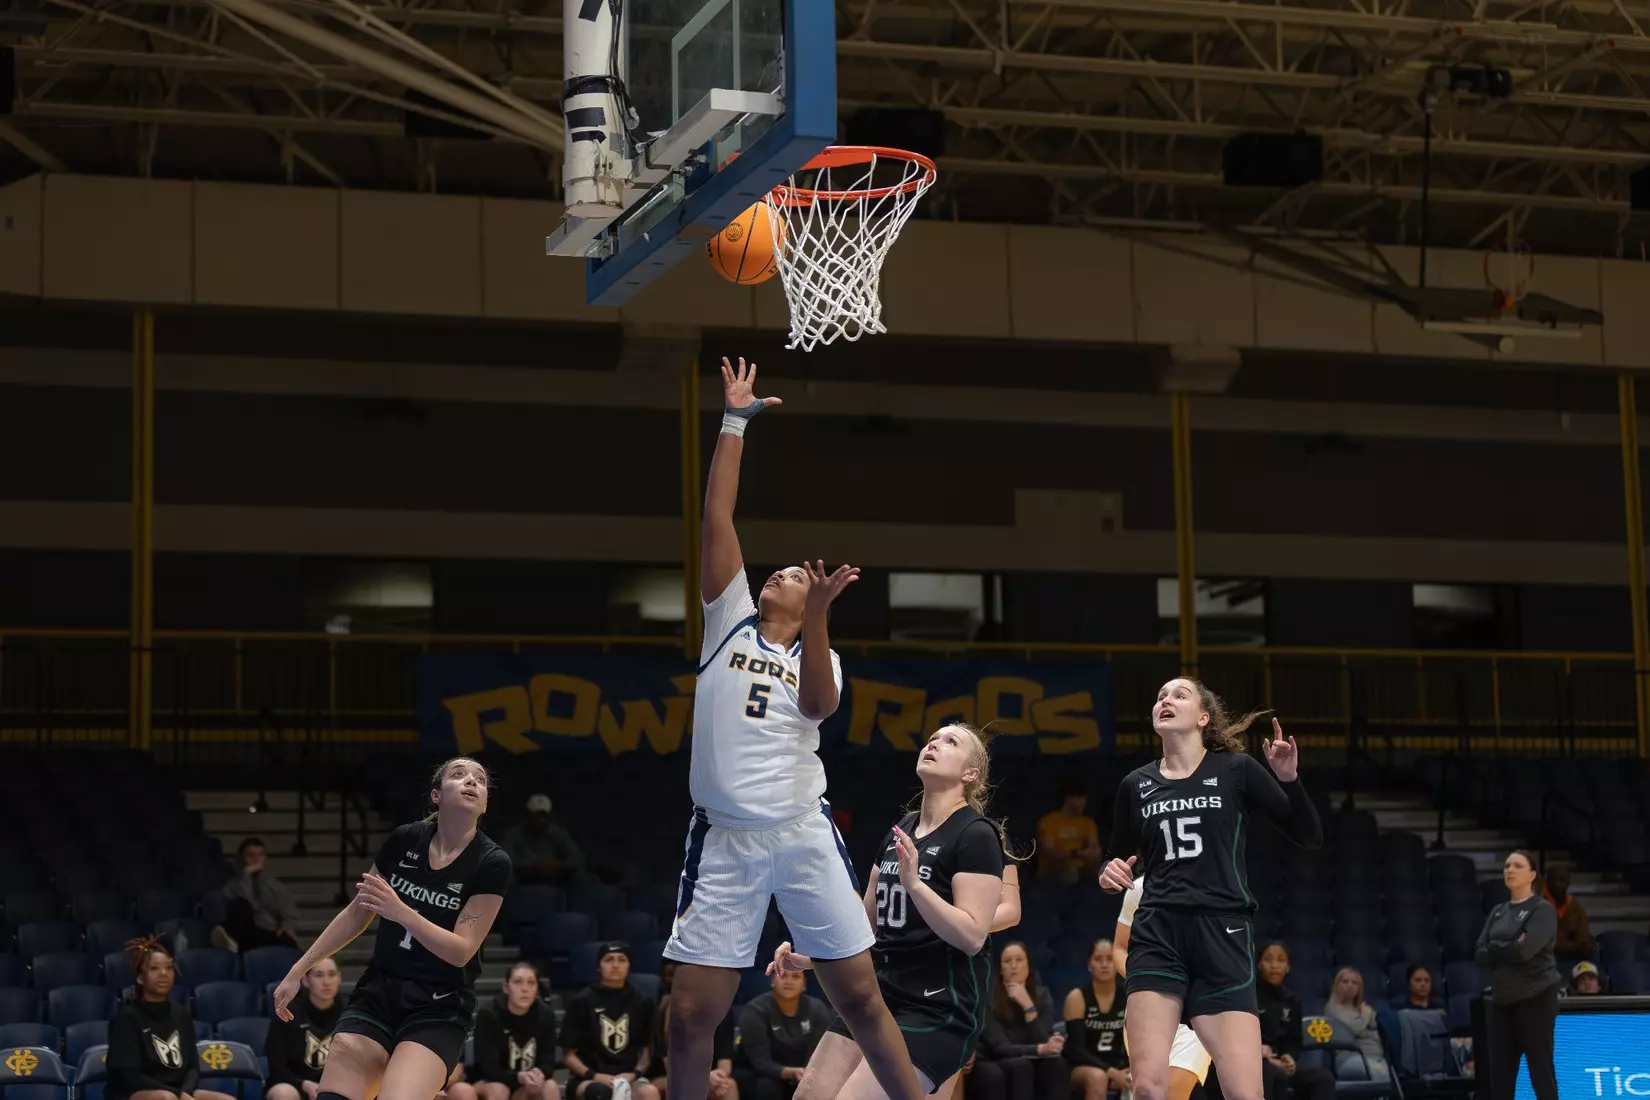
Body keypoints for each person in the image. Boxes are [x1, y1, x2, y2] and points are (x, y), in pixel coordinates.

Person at [664, 356, 924, 1100]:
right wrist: (735, 421)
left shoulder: (825, 655)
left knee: (859, 999)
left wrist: (817, 620)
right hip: (725, 838)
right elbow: (718, 516)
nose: (781, 572)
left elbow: (817, 709)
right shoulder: (729, 622)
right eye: (778, 571)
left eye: (796, 575)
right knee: (689, 1016)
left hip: (800, 832)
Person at [1098, 680, 1324, 1100]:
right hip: (1157, 933)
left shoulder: (1236, 769)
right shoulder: (1135, 784)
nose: (1165, 699)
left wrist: (1290, 779)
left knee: (1244, 1093)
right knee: (1148, 1088)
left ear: (1204, 717)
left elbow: (1309, 837)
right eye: (1160, 695)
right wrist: (1107, 874)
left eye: (1179, 695)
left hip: (1222, 933)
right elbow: (1118, 860)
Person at [767, 722, 1013, 1100]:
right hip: (882, 994)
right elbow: (865, 926)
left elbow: (972, 935)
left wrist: (915, 885)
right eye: (932, 738)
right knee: (809, 1095)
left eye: (951, 742)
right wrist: (810, 957)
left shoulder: (976, 835)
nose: (934, 743)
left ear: (970, 774)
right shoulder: (901, 829)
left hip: (939, 1008)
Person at [271, 757, 513, 1100]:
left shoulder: (492, 862)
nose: (471, 782)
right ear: (436, 795)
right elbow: (358, 912)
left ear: (485, 802)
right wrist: (299, 969)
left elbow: (461, 950)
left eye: (480, 780)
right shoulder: (405, 839)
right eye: (458, 776)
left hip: (438, 1005)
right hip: (379, 993)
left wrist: (401, 911)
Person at [1113, 878, 1209, 1100]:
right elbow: (1119, 948)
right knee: (1150, 1093)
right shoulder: (1140, 887)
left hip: (1196, 1005)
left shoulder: (1213, 884)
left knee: (1175, 1091)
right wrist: (1142, 980)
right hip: (1147, 1003)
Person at [107, 937, 237, 1100]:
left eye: (169, 968)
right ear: (140, 977)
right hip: (133, 1093)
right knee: (165, 1098)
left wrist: (185, 1092)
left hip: (177, 1092)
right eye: (154, 968)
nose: (163, 974)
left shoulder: (181, 1013)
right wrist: (176, 1094)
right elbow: (127, 1075)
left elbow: (192, 1068)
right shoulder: (126, 1018)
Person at [1476, 850, 1560, 1100]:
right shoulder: (1498, 911)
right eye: (1507, 866)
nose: (1510, 870)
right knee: (1500, 1075)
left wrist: (1497, 947)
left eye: (1517, 866)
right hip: (1502, 1000)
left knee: (1540, 1071)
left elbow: (1525, 952)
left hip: (1535, 997)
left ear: (1532, 874)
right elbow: (1479, 953)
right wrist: (1509, 945)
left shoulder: (1542, 909)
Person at [560, 942, 661, 1100]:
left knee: (649, 1093)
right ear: (598, 967)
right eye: (609, 960)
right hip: (588, 1078)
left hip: (629, 1078)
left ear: (629, 966)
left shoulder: (643, 1002)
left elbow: (645, 1053)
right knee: (600, 1092)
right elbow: (568, 1056)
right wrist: (595, 1076)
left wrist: (633, 1075)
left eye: (621, 960)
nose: (615, 965)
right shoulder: (582, 1000)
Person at [972, 942, 1067, 1100]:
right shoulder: (989, 1000)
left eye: (1020, 960)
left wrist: (1028, 1006)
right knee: (1020, 1066)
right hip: (995, 1060)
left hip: (1030, 1059)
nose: (1014, 966)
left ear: (1028, 966)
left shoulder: (1042, 996)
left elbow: (1043, 1041)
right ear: (1001, 969)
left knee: (1056, 1064)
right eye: (1008, 961)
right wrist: (1041, 1049)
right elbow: (1000, 1048)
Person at [1254, 943, 1333, 1100]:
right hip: (1257, 1065)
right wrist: (1266, 1057)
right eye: (1268, 960)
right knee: (1274, 1075)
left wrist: (1290, 1056)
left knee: (1323, 1079)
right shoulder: (1249, 997)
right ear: (1259, 965)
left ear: (1288, 967)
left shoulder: (1292, 1000)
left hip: (1281, 1065)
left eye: (1281, 960)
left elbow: (1295, 1040)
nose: (1274, 966)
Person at [737, 970, 833, 1100]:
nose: (788, 982)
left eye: (795, 977)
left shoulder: (817, 1010)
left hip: (804, 1074)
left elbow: (818, 1053)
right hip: (761, 1074)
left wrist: (806, 1074)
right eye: (782, 976)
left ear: (804, 983)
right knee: (767, 1088)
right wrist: (787, 1072)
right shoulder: (755, 1010)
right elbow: (760, 1061)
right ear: (772, 980)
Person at [474, 962, 562, 1100]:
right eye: (518, 982)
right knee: (499, 1090)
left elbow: (549, 1061)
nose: (525, 989)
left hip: (524, 1082)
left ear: (537, 989)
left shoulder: (546, 1015)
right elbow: (489, 1067)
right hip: (489, 1080)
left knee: (549, 1086)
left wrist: (540, 1073)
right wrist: (518, 1077)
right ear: (506, 988)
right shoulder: (489, 1014)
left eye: (531, 983)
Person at [652, 964, 736, 1100]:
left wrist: (717, 1077)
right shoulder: (668, 1008)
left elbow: (725, 1063)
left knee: (729, 1085)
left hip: (709, 1077)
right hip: (666, 1077)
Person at [266, 958, 344, 1100]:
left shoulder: (349, 1013)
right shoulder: (287, 1012)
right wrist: (303, 1084)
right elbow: (276, 1067)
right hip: (294, 1084)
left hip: (335, 1086)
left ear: (339, 978)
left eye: (332, 974)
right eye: (319, 975)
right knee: (284, 1093)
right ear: (306, 981)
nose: (326, 982)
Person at [1064, 938, 1131, 1100]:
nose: (1104, 964)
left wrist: (1129, 1069)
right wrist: (1109, 1071)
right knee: (1098, 1077)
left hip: (1119, 1066)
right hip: (1082, 1067)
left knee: (1142, 1078)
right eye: (1098, 959)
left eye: (1109, 959)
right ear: (1089, 964)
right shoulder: (1077, 997)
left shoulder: (1129, 997)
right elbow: (1076, 1049)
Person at [216, 837, 300, 953]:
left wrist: (286, 926)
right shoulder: (232, 885)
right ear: (241, 858)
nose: (256, 859)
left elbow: (288, 912)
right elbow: (244, 902)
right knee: (240, 905)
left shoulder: (274, 885)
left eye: (260, 855)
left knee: (289, 944)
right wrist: (246, 876)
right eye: (250, 855)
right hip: (245, 932)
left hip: (268, 930)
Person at [502, 795, 586, 888]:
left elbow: (577, 858)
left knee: (578, 876)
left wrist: (558, 865)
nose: (540, 820)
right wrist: (533, 865)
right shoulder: (513, 833)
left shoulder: (559, 833)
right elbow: (506, 858)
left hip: (553, 876)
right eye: (535, 816)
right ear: (528, 815)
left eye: (543, 816)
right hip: (523, 876)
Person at [1322, 969, 1387, 1080]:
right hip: (1350, 1059)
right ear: (1337, 985)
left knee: (1395, 1080)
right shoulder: (1333, 1008)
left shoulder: (1362, 1009)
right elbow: (1355, 1029)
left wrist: (1364, 1029)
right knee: (1381, 1075)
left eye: (1354, 983)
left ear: (1359, 988)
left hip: (1377, 1056)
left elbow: (1375, 1034)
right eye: (1345, 981)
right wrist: (1366, 1016)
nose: (1350, 985)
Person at [1035, 777, 1102, 885]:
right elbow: (1049, 852)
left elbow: (1093, 848)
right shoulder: (1049, 821)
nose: (1083, 803)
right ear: (1068, 798)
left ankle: (1098, 886)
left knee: (1098, 855)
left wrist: (1090, 853)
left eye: (1085, 799)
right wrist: (1075, 853)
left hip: (1082, 870)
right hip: (1054, 870)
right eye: (1080, 798)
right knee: (1070, 872)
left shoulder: (1087, 822)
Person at [1542, 864, 1595, 959]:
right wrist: (1574, 946)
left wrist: (1583, 945)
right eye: (1559, 880)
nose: (1564, 885)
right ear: (1548, 881)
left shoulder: (1574, 905)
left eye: (1566, 880)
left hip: (1570, 956)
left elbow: (1583, 938)